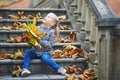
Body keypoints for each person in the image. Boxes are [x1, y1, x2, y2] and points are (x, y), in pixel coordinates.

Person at [21, 12, 66, 77]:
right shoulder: (37, 28)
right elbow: (33, 38)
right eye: (47, 16)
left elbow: (50, 45)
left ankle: (58, 68)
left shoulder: (52, 33)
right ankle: (25, 69)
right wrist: (28, 37)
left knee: (45, 58)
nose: (46, 17)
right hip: (36, 50)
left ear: (52, 23)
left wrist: (40, 40)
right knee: (28, 52)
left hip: (45, 52)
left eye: (48, 17)